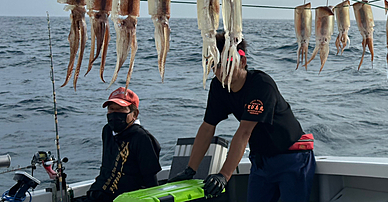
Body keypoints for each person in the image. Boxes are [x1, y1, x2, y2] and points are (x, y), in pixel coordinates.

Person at [168, 33, 316, 202]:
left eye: (227, 63)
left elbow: (244, 131)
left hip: (292, 157)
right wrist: (190, 170)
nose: (220, 71)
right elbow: (208, 127)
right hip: (261, 160)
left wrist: (224, 175)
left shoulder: (261, 84)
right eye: (215, 65)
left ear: (243, 62)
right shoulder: (218, 86)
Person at [85, 87, 162, 202]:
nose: (115, 114)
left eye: (121, 109)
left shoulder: (142, 138)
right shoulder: (107, 131)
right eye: (111, 109)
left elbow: (150, 180)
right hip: (98, 195)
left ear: (134, 114)